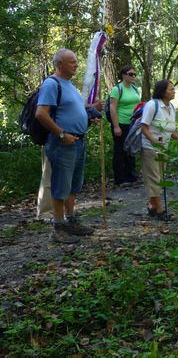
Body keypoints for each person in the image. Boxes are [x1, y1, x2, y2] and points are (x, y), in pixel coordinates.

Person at [34, 49, 102, 243]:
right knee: (61, 184)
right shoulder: (51, 84)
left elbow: (73, 109)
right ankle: (58, 227)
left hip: (78, 141)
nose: (76, 65)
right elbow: (41, 113)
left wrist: (90, 110)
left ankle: (71, 221)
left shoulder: (69, 84)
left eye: (76, 61)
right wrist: (61, 134)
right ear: (59, 64)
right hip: (62, 143)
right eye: (72, 62)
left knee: (73, 184)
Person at [140, 80, 178, 220]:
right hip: (150, 148)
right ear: (162, 91)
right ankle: (160, 210)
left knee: (159, 177)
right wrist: (154, 141)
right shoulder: (152, 105)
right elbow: (144, 127)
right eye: (171, 89)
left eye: (174, 89)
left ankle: (151, 206)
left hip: (163, 148)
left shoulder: (171, 107)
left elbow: (169, 129)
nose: (174, 91)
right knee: (155, 178)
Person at [109, 65, 141, 185]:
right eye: (130, 74)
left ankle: (131, 176)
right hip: (121, 123)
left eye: (134, 74)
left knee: (131, 149)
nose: (133, 76)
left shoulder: (134, 88)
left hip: (133, 124)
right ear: (123, 75)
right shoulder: (117, 89)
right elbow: (113, 107)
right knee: (120, 150)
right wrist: (116, 126)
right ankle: (120, 178)